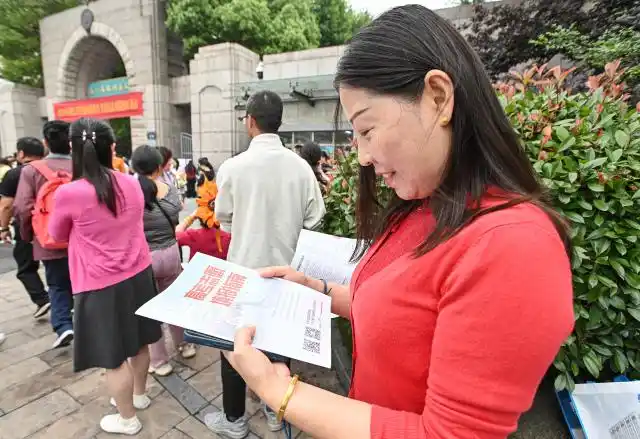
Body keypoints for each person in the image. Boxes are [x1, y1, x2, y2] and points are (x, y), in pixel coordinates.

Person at [223, 6, 574, 439]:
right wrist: (318, 291)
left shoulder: (514, 247)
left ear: (438, 97)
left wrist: (278, 391)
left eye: (367, 130)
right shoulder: (427, 202)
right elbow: (403, 314)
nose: (363, 157)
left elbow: (449, 435)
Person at [207, 90, 325, 437]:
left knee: (234, 344)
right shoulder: (301, 167)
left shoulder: (233, 167)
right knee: (279, 344)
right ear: (279, 122)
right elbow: (315, 218)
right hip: (286, 274)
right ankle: (275, 413)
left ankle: (234, 420)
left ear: (250, 122)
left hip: (243, 272)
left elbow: (223, 218)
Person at [48, 118, 162, 435]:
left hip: (99, 283)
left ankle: (127, 419)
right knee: (140, 343)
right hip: (139, 273)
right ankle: (139, 396)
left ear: (73, 148)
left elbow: (56, 234)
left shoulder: (69, 193)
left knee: (113, 358)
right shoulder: (133, 183)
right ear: (112, 148)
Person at [131, 145, 197, 377]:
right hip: (170, 253)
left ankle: (159, 361)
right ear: (159, 167)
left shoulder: (131, 194)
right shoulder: (169, 190)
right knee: (174, 302)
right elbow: (178, 209)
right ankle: (185, 345)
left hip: (144, 258)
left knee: (151, 309)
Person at [14, 122, 75, 348]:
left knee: (57, 284)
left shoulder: (32, 170)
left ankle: (63, 325)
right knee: (82, 281)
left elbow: (22, 207)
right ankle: (86, 319)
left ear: (46, 142)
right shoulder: (82, 166)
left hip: (49, 238)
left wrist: (28, 235)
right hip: (81, 237)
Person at [0, 138, 50, 318]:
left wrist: (3, 228)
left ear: (21, 153)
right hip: (52, 223)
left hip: (26, 226)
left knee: (25, 267)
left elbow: (6, 205)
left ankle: (42, 299)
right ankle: (65, 299)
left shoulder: (14, 174)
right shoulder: (51, 169)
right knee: (55, 265)